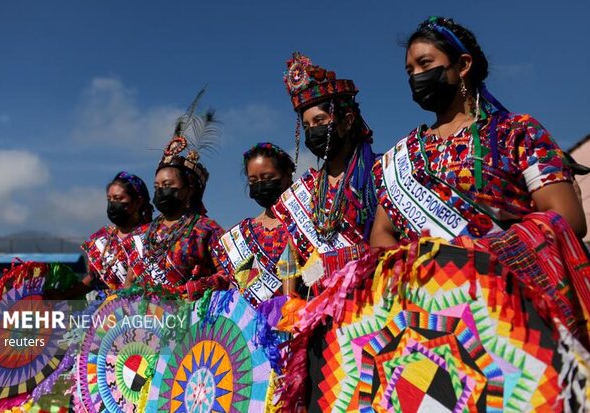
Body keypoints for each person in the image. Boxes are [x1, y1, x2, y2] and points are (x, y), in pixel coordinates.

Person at [370, 17, 586, 248]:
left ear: (463, 65)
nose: (416, 77)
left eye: (425, 64)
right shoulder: (403, 155)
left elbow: (567, 219)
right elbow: (382, 233)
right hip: (419, 281)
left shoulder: (516, 132)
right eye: (410, 71)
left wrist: (474, 256)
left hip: (507, 278)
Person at [274, 52, 378, 295]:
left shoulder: (377, 173)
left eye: (320, 121)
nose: (313, 131)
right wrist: (291, 302)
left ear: (348, 120)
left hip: (369, 301)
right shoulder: (307, 189)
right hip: (316, 308)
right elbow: (291, 257)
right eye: (307, 126)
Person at [124, 94, 225, 298]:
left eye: (168, 185)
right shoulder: (140, 235)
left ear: (188, 189)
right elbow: (130, 281)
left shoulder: (207, 230)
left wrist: (194, 289)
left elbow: (228, 274)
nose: (161, 191)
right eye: (157, 186)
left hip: (191, 320)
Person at [212, 142, 297, 307]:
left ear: (286, 176)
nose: (261, 185)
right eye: (253, 180)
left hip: (300, 319)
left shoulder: (302, 221)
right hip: (252, 324)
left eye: (268, 178)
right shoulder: (241, 233)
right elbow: (237, 286)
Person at [45, 171, 153, 299]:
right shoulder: (103, 238)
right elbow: (94, 278)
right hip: (104, 310)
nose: (112, 204)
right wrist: (64, 295)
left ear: (138, 201)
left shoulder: (151, 236)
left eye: (118, 199)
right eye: (110, 199)